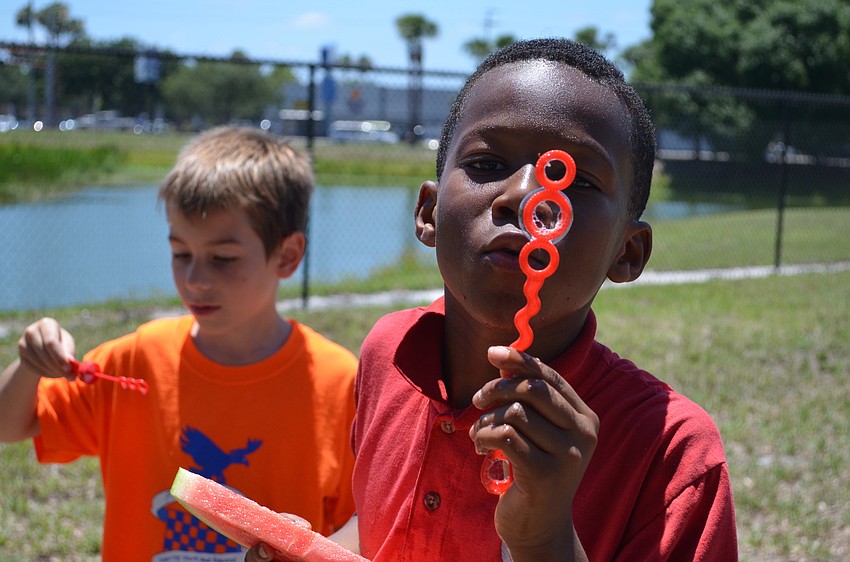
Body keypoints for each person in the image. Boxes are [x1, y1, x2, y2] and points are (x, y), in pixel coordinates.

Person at [249, 37, 737, 562]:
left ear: (628, 252)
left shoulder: (675, 454)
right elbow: (376, 523)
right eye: (486, 164)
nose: (525, 196)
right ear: (429, 213)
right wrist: (309, 551)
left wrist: (543, 538)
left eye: (575, 180)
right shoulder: (386, 352)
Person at [0, 126, 358, 562]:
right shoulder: (136, 359)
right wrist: (30, 365)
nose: (194, 281)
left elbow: (362, 523)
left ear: (286, 256)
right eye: (181, 254)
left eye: (222, 259)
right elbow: (10, 424)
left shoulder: (340, 383)